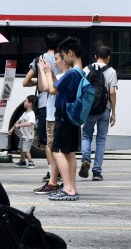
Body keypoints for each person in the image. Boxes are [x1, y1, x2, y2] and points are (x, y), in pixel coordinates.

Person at [37, 36, 82, 201]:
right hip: (71, 117)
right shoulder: (78, 73)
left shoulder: (71, 73)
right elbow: (58, 86)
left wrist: (47, 71)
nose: (61, 59)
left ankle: (68, 188)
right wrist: (51, 74)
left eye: (62, 55)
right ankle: (72, 187)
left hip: (63, 117)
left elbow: (51, 90)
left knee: (57, 151)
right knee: (69, 153)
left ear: (70, 53)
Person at [22, 33, 61, 195]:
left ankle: (51, 172)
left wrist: (39, 81)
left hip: (45, 103)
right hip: (60, 103)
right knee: (58, 141)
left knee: (47, 142)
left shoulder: (40, 60)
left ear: (45, 44)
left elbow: (25, 82)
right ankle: (58, 171)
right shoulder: (62, 59)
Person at [79, 45, 118, 181]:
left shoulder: (86, 69)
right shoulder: (111, 71)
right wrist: (113, 112)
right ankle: (97, 172)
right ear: (108, 58)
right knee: (101, 140)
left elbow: (82, 89)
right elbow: (112, 92)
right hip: (104, 108)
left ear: (95, 57)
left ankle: (85, 159)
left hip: (89, 109)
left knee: (86, 136)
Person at [9, 95, 38, 168]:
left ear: (30, 104)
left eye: (26, 101)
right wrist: (12, 129)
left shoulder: (31, 114)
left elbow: (30, 123)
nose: (24, 102)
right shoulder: (24, 113)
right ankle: (22, 161)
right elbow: (17, 122)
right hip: (23, 135)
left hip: (28, 136)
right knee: (21, 148)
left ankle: (31, 162)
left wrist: (20, 125)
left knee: (26, 150)